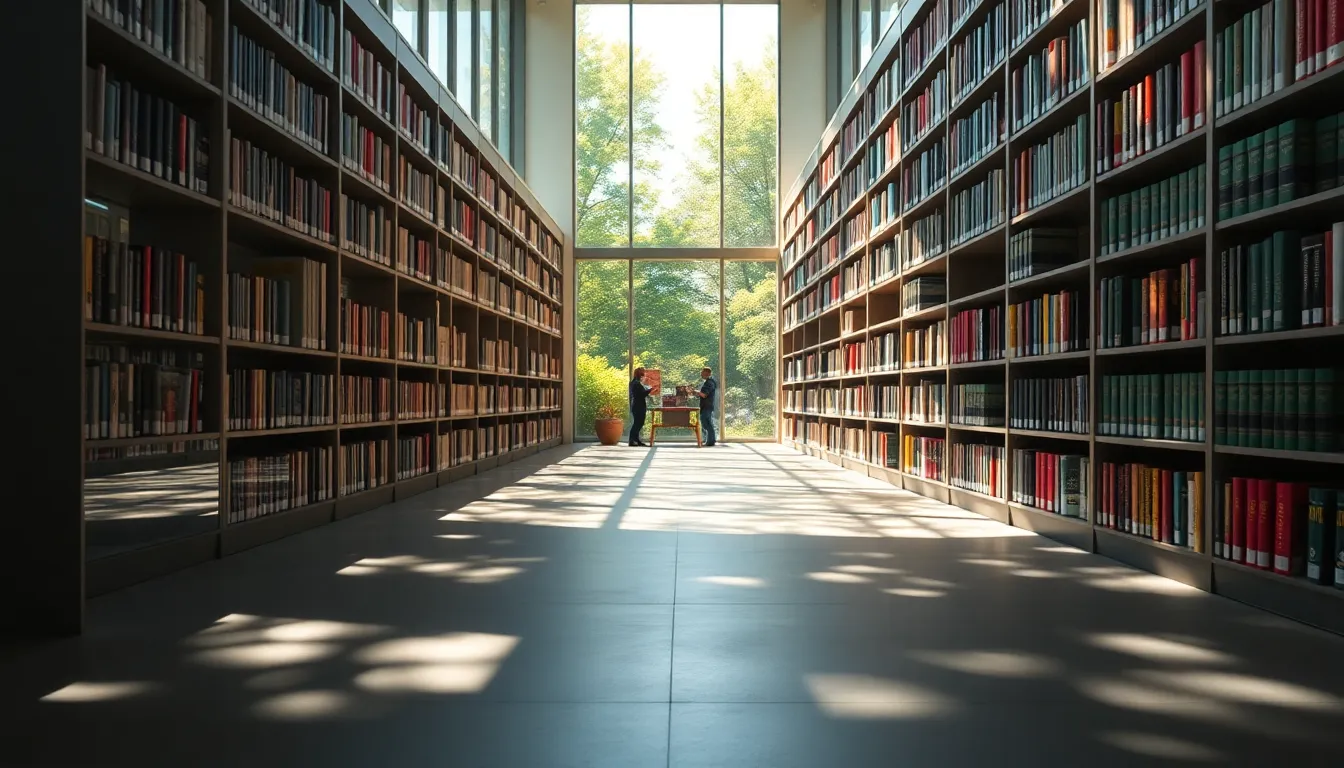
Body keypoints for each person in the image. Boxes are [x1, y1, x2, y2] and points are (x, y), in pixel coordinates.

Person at [693, 366, 718, 446]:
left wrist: (696, 391)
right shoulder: (709, 382)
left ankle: (711, 441)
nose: (701, 374)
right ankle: (710, 440)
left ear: (707, 373)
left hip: (707, 406)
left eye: (702, 372)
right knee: (707, 423)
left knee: (706, 423)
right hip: (706, 406)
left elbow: (704, 395)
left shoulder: (709, 383)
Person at [628, 367, 651, 447]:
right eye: (643, 373)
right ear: (640, 374)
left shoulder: (635, 382)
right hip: (638, 406)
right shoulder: (636, 383)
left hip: (637, 406)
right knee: (638, 423)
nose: (644, 374)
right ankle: (632, 440)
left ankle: (636, 440)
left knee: (638, 423)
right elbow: (642, 394)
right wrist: (650, 390)